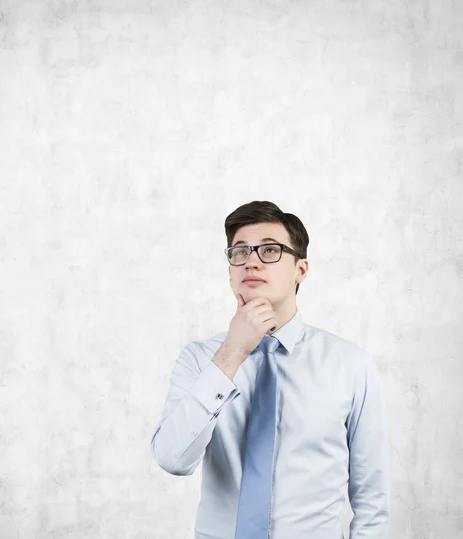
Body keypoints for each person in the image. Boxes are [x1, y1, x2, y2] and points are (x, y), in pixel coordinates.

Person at [150, 200, 390, 539]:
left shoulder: (350, 365)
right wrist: (232, 354)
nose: (251, 260)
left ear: (301, 270)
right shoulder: (200, 360)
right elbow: (173, 459)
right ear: (230, 271)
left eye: (269, 250)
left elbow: (371, 499)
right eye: (240, 252)